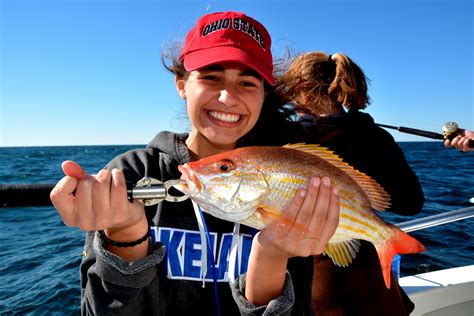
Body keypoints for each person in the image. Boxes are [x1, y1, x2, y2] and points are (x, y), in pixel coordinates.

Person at [50, 12, 340, 315]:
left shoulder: (290, 183)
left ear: (264, 95)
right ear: (181, 84)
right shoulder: (131, 175)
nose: (228, 97)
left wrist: (271, 256)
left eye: (247, 82)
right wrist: (126, 237)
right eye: (211, 77)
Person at [276, 51, 425, 315]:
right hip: (379, 293)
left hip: (322, 293)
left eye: (293, 97)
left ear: (306, 95)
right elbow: (411, 203)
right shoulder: (375, 137)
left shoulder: (295, 142)